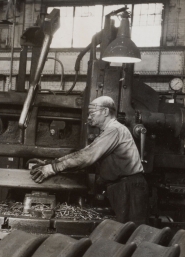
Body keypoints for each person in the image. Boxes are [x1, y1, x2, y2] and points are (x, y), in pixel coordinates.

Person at [29, 96, 149, 225]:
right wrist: (54, 162)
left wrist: (53, 168)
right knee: (125, 231)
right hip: (122, 186)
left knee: (132, 232)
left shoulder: (114, 130)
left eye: (92, 113)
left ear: (105, 112)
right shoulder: (109, 131)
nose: (89, 117)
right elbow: (85, 152)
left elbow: (86, 156)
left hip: (128, 187)